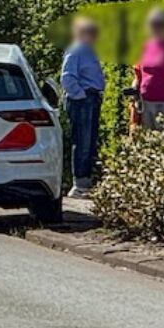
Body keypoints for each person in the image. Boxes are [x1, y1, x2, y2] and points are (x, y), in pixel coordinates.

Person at [60, 16, 106, 197]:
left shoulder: (88, 50)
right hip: (83, 100)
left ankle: (85, 181)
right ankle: (79, 184)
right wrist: (81, 95)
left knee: (89, 140)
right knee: (83, 141)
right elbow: (67, 77)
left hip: (90, 99)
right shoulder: (77, 50)